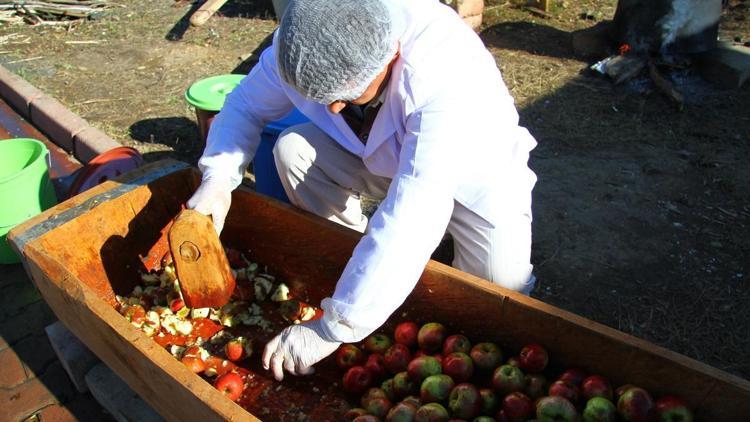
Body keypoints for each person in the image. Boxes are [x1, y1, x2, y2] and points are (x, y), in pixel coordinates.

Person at [187, 0, 538, 382]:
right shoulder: (305, 40)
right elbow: (245, 106)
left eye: (346, 94)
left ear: (392, 53)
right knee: (293, 151)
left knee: (500, 292)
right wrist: (218, 178)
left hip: (478, 168)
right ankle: (357, 267)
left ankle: (366, 294)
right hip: (380, 154)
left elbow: (415, 211)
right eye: (324, 96)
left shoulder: (441, 74)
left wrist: (334, 327)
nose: (334, 107)